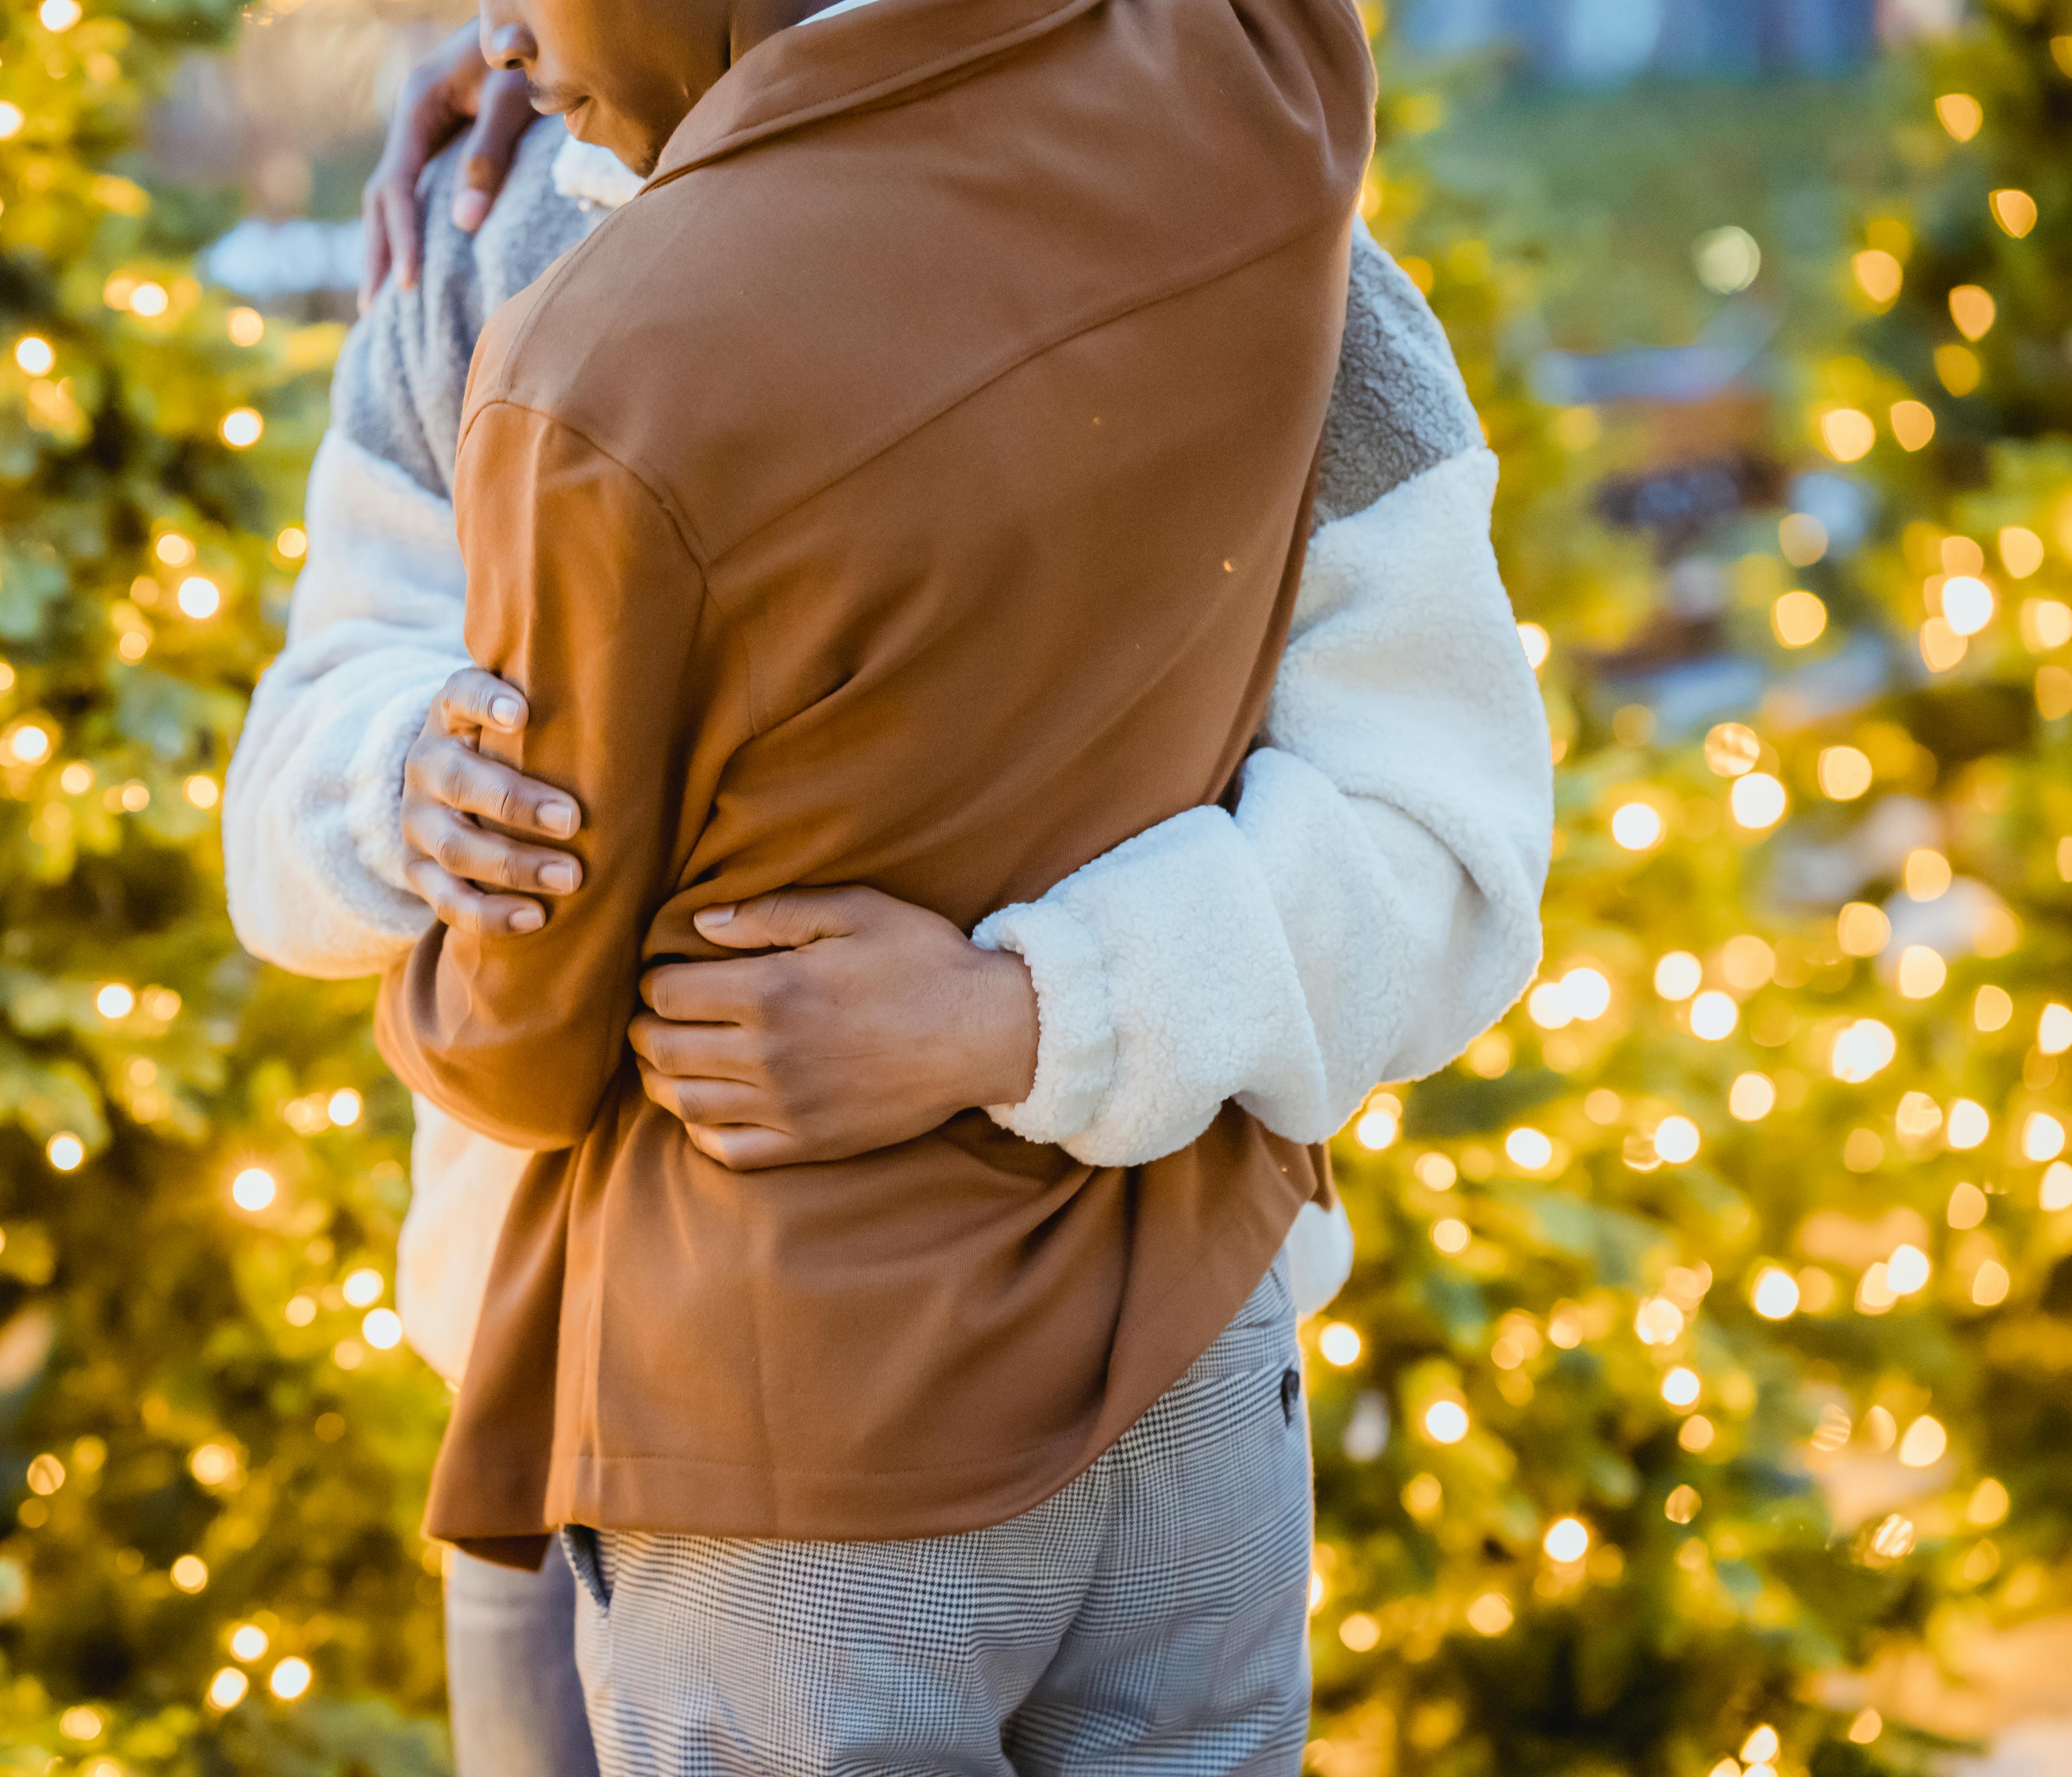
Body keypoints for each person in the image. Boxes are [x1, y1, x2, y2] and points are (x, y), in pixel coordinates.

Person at [223, 8, 1551, 1771]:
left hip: (1138, 1380)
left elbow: (1441, 848)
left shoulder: (1246, 225)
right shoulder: (502, 224)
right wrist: (402, 775)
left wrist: (1030, 1012)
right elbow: (292, 792)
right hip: (589, 1412)